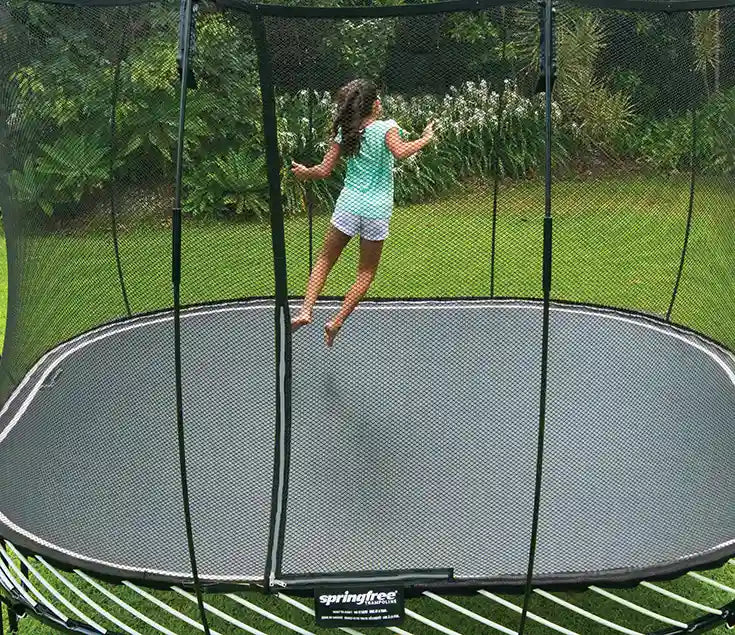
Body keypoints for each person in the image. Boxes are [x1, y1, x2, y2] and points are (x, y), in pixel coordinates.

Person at [290, 78, 435, 346]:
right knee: (366, 273)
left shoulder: (346, 131)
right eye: (378, 98)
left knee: (324, 260)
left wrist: (304, 172)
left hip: (348, 205)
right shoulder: (386, 128)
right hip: (376, 211)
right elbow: (401, 152)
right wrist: (426, 138)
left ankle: (305, 310)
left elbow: (323, 170)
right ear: (375, 105)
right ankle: (335, 322)